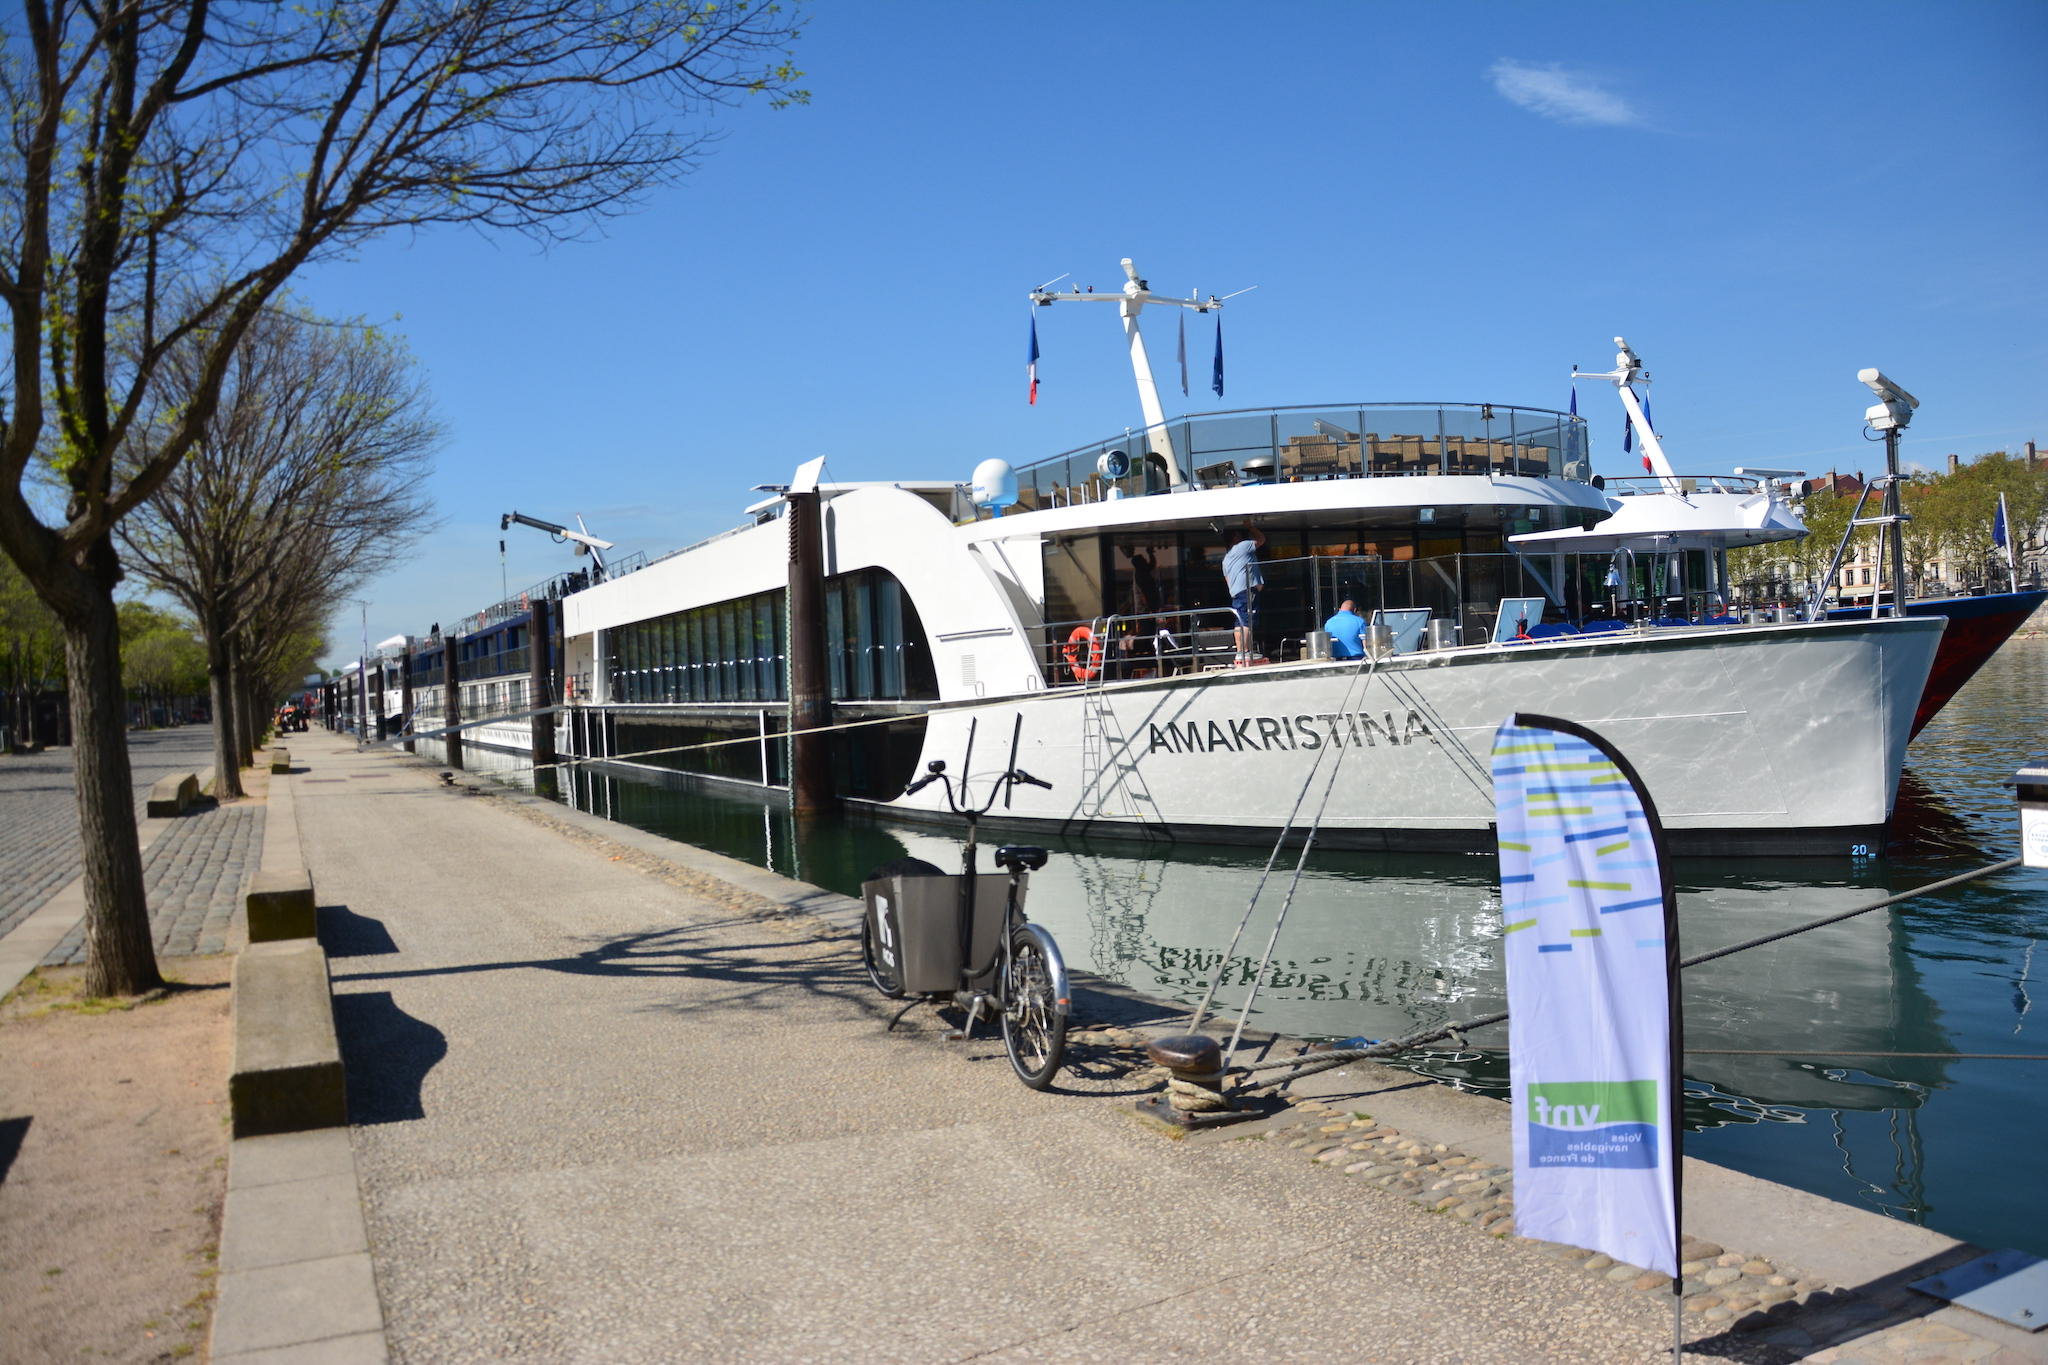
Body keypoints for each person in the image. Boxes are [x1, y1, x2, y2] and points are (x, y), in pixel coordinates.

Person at [1221, 524, 1264, 663]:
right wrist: (1251, 527)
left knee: (1239, 621)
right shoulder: (1242, 547)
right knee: (1247, 620)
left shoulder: (1226, 559)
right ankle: (1244, 651)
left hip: (1236, 592)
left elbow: (1227, 580)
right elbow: (1261, 539)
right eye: (1239, 534)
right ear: (1235, 537)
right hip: (1246, 590)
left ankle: (1240, 651)